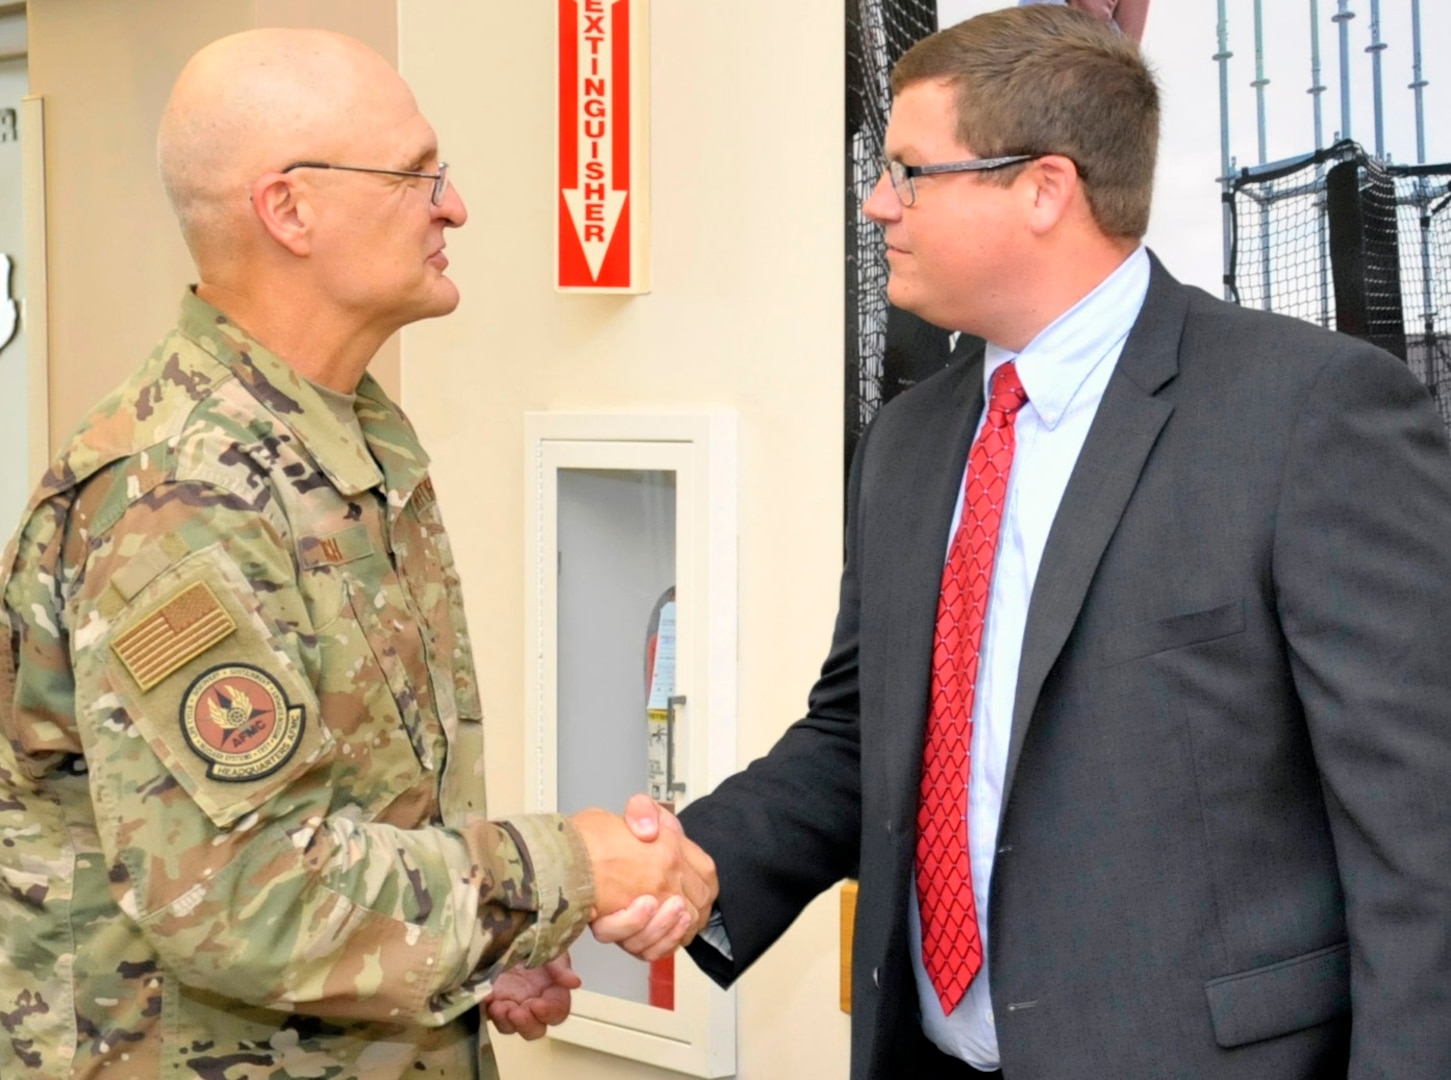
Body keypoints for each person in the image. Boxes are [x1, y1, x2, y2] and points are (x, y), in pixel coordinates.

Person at [624, 6, 1451, 1078]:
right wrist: (692, 861)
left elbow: (1416, 832)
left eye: (910, 171)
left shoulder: (1305, 414)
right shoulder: (912, 440)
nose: (876, 205)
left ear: (1042, 188)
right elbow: (860, 736)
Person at [0, 28, 710, 1079]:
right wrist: (568, 868)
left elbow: (354, 817)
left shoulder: (348, 443)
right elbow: (246, 893)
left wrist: (475, 951)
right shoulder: (177, 489)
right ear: (289, 209)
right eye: (418, 175)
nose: (453, 207)